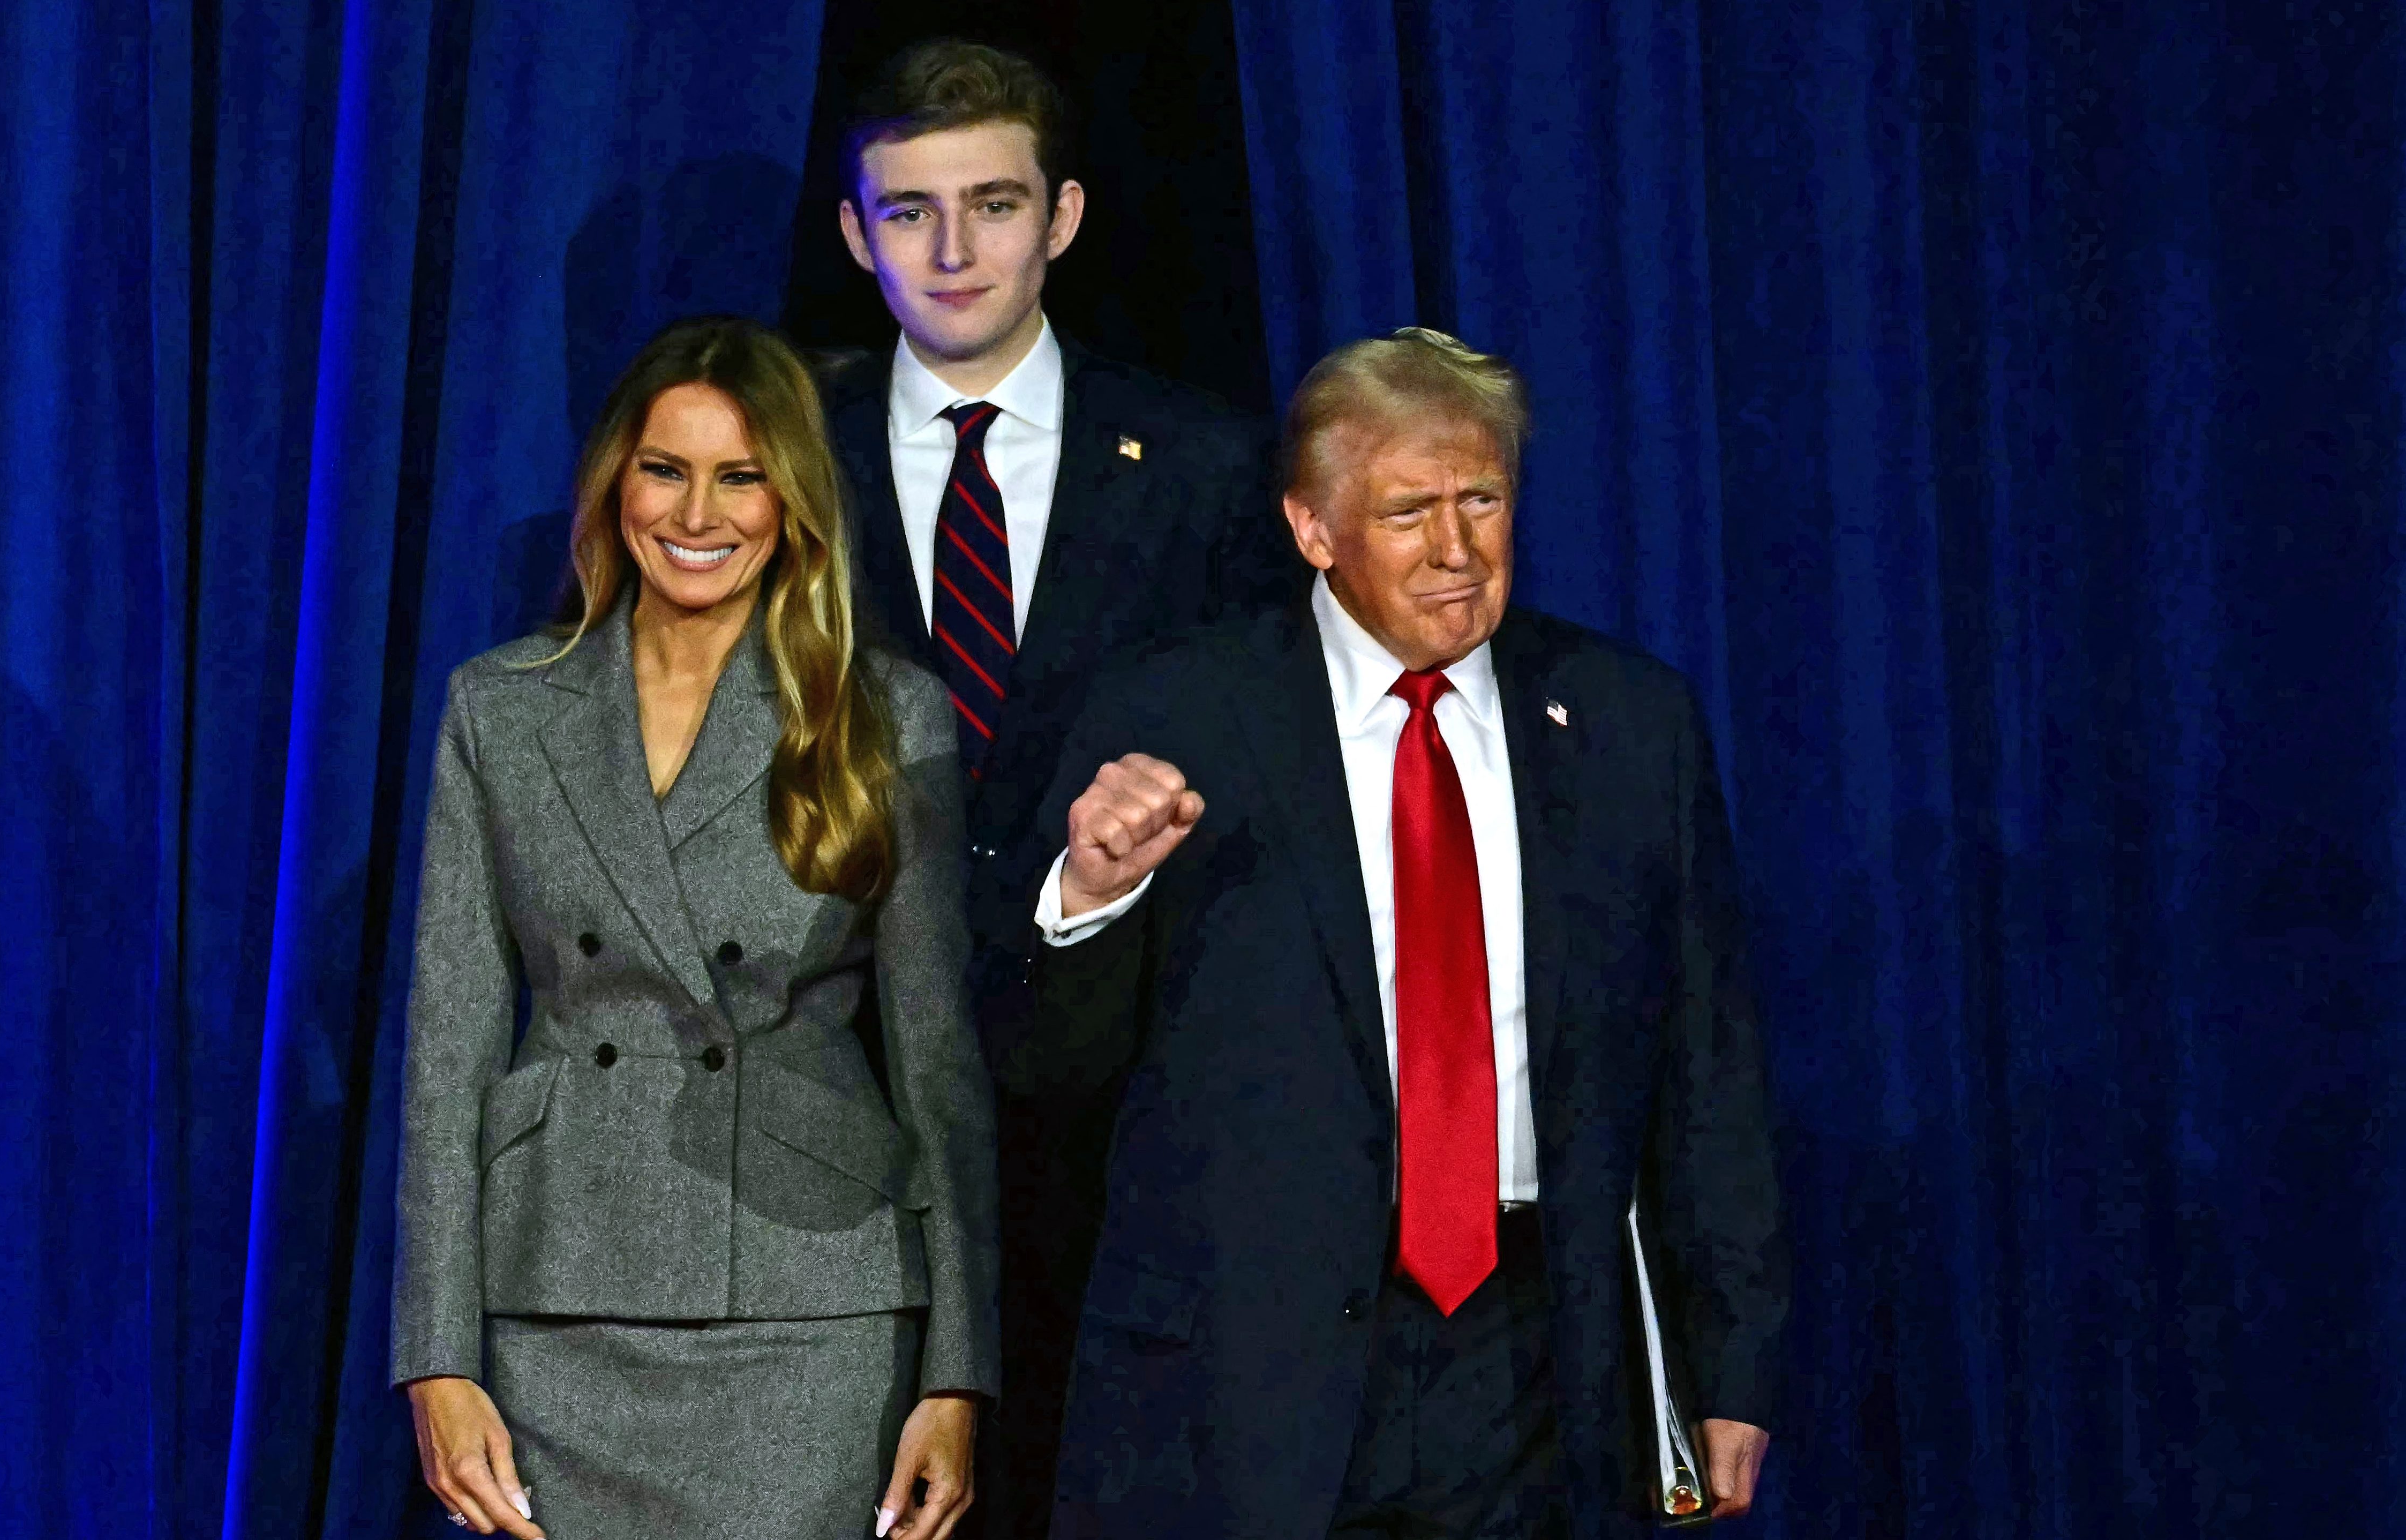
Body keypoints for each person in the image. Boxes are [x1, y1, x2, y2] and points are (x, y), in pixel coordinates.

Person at [1005, 329, 1790, 1538]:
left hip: (1535, 1360)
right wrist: (1091, 895)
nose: (1456, 549)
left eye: (1481, 498)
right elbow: (1045, 1071)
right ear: (1312, 531)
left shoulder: (1631, 724)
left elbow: (1708, 1073)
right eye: (1406, 510)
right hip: (1246, 1368)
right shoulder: (1179, 712)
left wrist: (1727, 1360)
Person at [390, 317, 1000, 1540]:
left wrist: (955, 1371)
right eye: (665, 468)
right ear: (616, 479)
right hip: (559, 1292)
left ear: (792, 500)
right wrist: (435, 1355)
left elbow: (939, 1062)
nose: (697, 512)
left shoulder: (885, 714)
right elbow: (446, 1051)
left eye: (741, 476)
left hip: (813, 1306)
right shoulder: (500, 708)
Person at [823, 40, 1298, 1531]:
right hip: (832, 1120)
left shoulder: (1207, 467)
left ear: (1065, 217)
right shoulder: (774, 455)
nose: (953, 250)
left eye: (994, 203)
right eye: (909, 212)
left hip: (1114, 1132)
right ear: (856, 233)